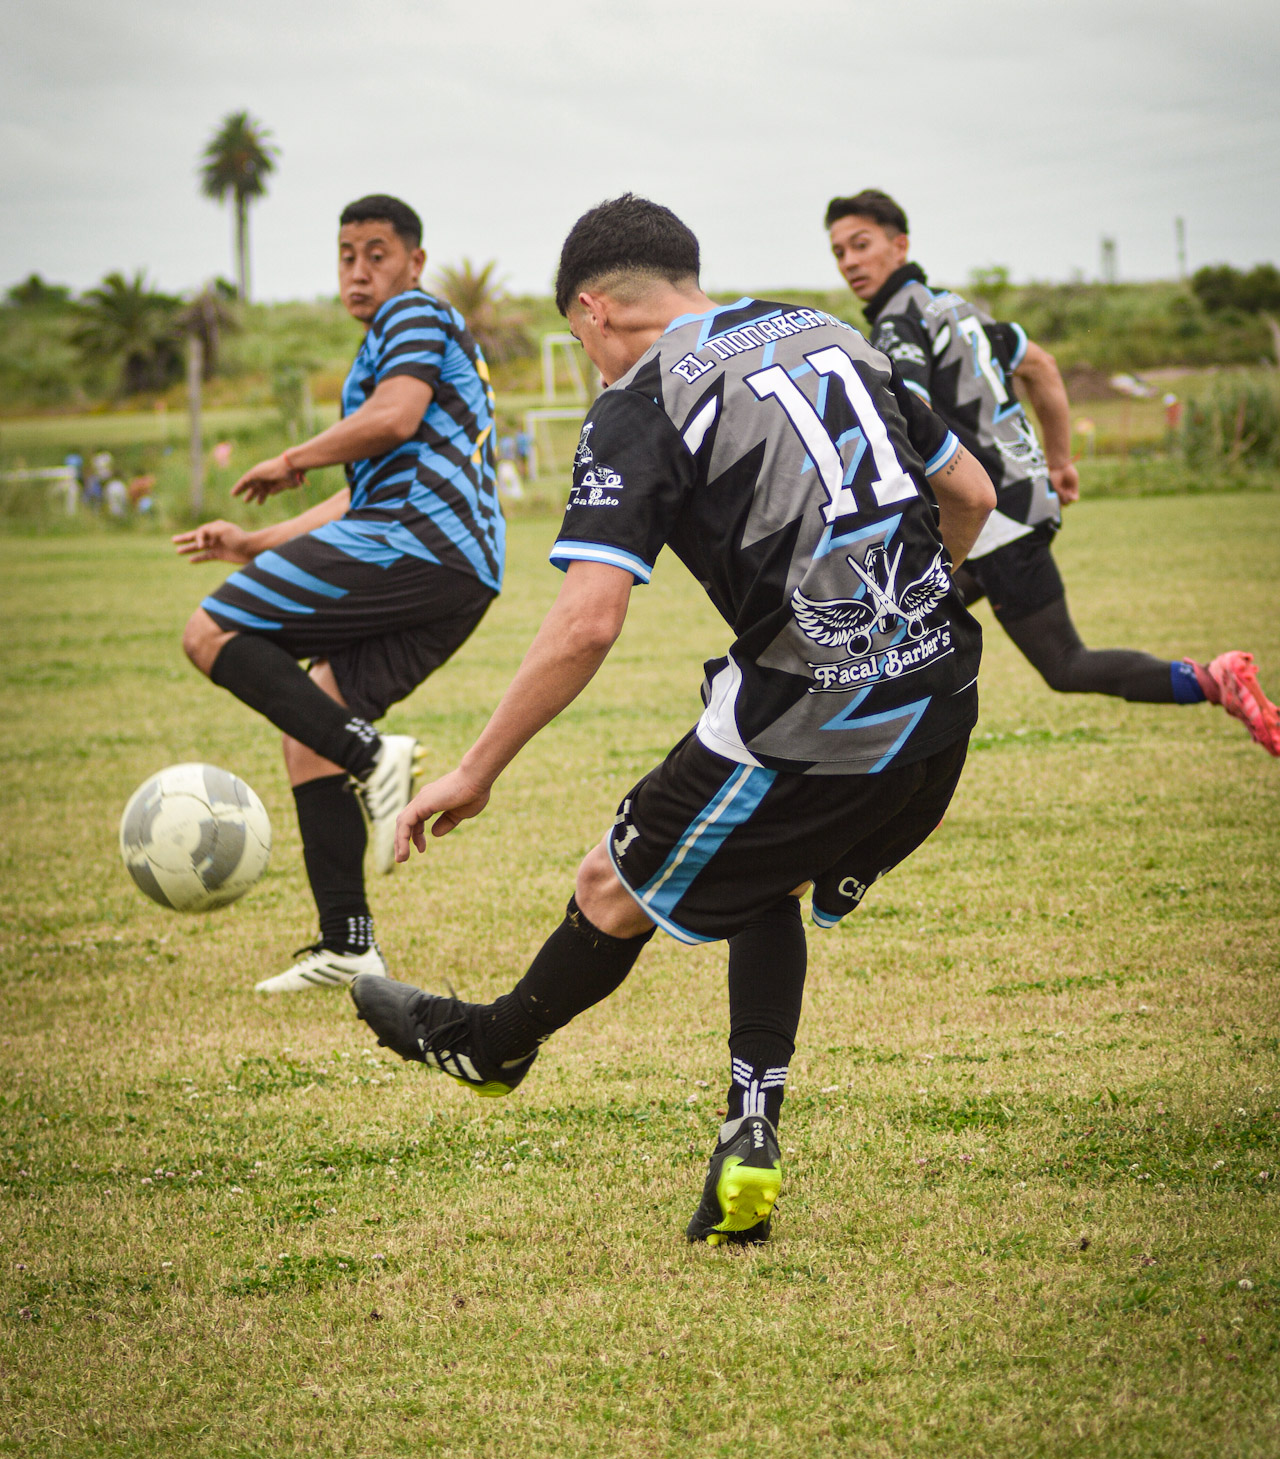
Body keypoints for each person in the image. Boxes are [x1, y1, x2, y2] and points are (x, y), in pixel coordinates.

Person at [349, 193, 996, 1245]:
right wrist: (906, 618)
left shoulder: (644, 398)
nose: (590, 362)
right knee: (764, 877)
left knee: (609, 885)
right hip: (942, 705)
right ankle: (748, 1133)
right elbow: (969, 492)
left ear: (594, 311)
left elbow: (586, 623)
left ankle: (491, 1046)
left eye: (580, 344)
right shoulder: (823, 330)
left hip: (813, 720)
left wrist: (476, 770)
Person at [174, 195, 504, 992]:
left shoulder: (413, 315)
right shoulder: (390, 342)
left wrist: (293, 458)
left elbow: (395, 420)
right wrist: (254, 542)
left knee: (209, 632)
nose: (359, 271)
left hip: (415, 542)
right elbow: (364, 487)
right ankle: (348, 943)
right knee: (310, 728)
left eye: (376, 254)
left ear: (414, 262)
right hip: (454, 566)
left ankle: (372, 756)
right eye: (347, 255)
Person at [825, 189, 1280, 757]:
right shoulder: (959, 308)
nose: (849, 262)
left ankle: (1215, 679)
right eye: (839, 252)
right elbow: (1040, 365)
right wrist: (1059, 463)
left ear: (900, 245)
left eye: (861, 245)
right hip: (1018, 503)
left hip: (991, 520)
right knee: (884, 636)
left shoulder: (899, 321)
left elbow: (907, 413)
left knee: (1059, 662)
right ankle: (883, 768)